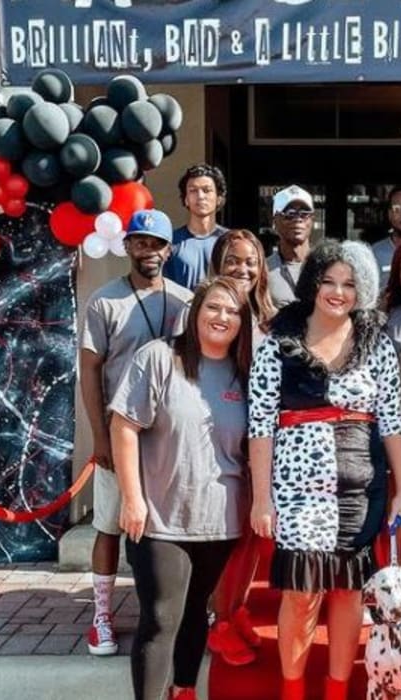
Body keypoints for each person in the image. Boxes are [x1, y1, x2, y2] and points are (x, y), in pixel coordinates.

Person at [248, 240, 401, 700]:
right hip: (297, 489)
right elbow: (259, 425)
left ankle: (336, 691)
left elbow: (392, 420)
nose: (338, 292)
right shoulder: (277, 343)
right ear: (313, 283)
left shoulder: (377, 341)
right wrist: (262, 499)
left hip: (361, 488)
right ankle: (292, 690)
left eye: (350, 285)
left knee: (348, 593)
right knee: (300, 595)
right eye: (329, 281)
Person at [110, 276, 254, 700]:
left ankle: (185, 691)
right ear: (194, 313)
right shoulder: (160, 358)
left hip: (220, 521)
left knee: (195, 615)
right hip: (159, 519)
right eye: (213, 307)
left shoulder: (243, 372)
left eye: (232, 311)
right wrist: (132, 498)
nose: (222, 317)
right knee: (160, 620)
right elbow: (124, 425)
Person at [79, 209, 192, 657]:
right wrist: (99, 438)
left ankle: (175, 610)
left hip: (169, 436)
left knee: (173, 527)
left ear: (170, 249)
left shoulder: (186, 301)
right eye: (141, 242)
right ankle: (101, 616)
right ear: (128, 246)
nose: (149, 251)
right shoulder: (105, 302)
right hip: (120, 433)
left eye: (157, 243)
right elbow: (90, 370)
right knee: (109, 524)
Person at [205, 229, 277, 666]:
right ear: (218, 263)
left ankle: (237, 610)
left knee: (252, 534)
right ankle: (220, 621)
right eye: (233, 260)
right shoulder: (210, 309)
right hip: (222, 436)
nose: (243, 269)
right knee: (226, 536)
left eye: (251, 261)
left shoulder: (271, 316)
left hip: (264, 441)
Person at [163, 164, 228, 290]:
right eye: (193, 190)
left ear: (219, 198)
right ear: (186, 199)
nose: (200, 196)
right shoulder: (171, 242)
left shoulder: (231, 241)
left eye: (206, 190)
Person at [266, 184, 314, 309]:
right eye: (290, 214)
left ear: (312, 220)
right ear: (275, 221)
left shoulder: (325, 267)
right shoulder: (263, 270)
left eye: (304, 214)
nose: (298, 219)